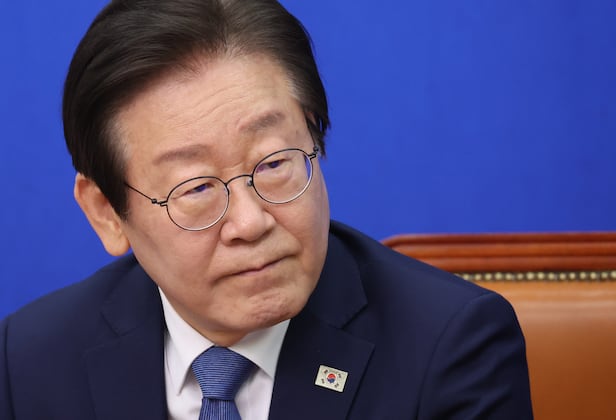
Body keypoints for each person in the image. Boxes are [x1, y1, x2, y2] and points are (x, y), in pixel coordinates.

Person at [0, 0, 533, 418]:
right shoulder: (29, 362)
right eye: (196, 188)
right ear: (106, 213)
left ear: (315, 139)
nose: (251, 222)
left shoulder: (451, 348)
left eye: (274, 163)